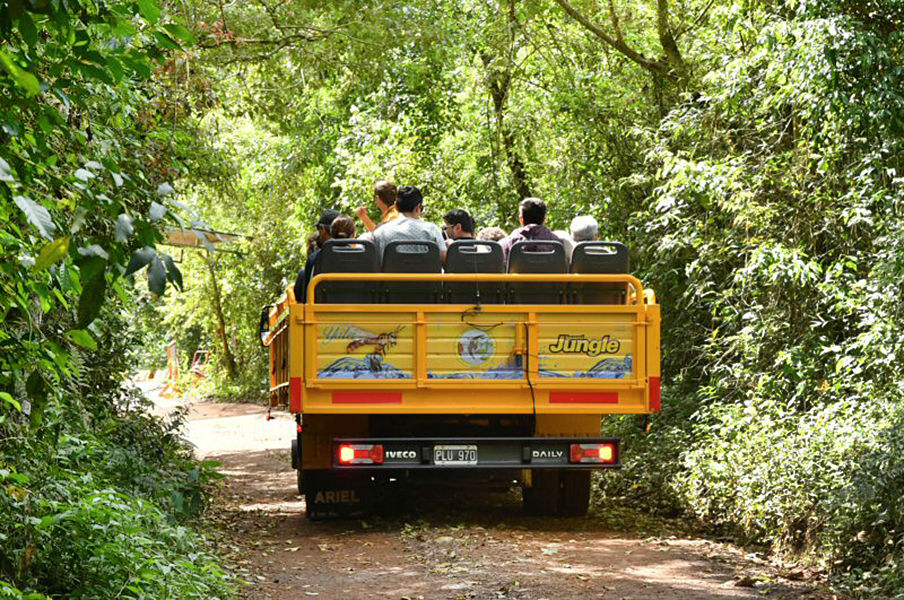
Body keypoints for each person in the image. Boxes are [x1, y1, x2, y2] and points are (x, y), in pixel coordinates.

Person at [372, 185, 445, 263]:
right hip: (425, 275)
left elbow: (375, 262)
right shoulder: (432, 229)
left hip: (394, 275)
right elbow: (444, 260)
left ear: (395, 206)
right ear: (418, 208)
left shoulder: (381, 232)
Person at [293, 209, 340, 302]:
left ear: (322, 229)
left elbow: (305, 299)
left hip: (322, 314)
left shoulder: (316, 259)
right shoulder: (361, 255)